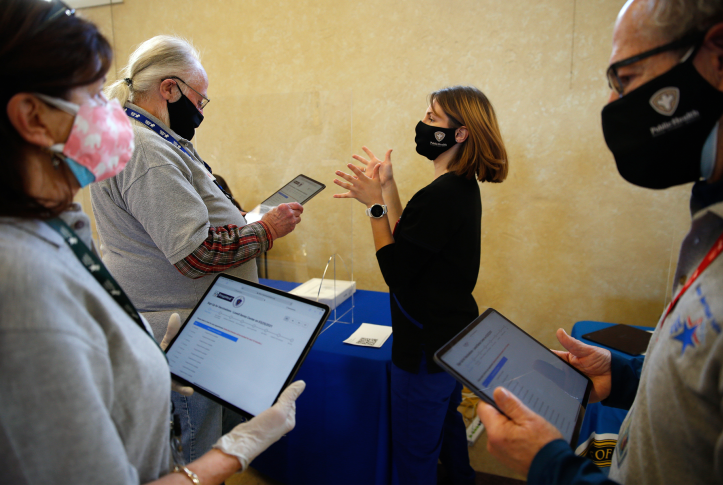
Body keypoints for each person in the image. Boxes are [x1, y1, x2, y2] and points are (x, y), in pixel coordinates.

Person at [0, 1, 304, 484]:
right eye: (94, 94)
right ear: (34, 117)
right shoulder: (20, 280)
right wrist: (230, 454)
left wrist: (135, 347)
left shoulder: (54, 224)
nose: (111, 111)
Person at [476, 0, 723, 483]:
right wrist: (626, 374)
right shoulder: (709, 215)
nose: (614, 105)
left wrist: (549, 465)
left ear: (717, 54)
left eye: (626, 78)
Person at [90, 35, 304, 463]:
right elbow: (196, 253)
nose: (201, 112)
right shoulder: (147, 150)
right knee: (192, 459)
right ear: (169, 89)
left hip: (194, 327)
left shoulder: (151, 140)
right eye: (199, 100)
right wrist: (266, 230)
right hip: (180, 335)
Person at [333, 85, 509, 484]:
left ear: (459, 134)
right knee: (447, 434)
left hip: (425, 348)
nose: (423, 123)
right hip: (449, 340)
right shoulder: (456, 189)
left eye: (432, 118)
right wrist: (389, 187)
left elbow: (397, 270)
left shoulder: (444, 195)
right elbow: (411, 241)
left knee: (415, 456)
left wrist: (374, 205)